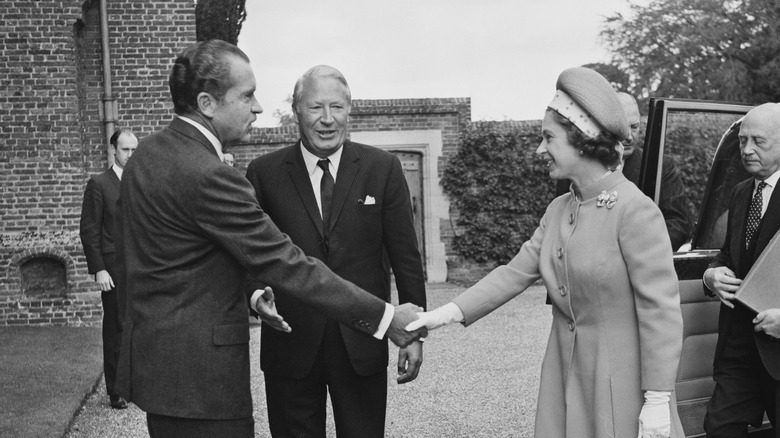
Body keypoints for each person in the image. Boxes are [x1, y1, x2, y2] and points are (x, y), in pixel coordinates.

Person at [112, 40, 423, 438]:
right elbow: (282, 261)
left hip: (162, 370)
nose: (257, 107)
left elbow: (130, 256)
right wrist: (385, 318)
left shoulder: (148, 155)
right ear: (207, 103)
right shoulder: (212, 173)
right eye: (247, 95)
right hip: (204, 380)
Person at [408, 67, 685, 438]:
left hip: (621, 387)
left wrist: (656, 398)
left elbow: (661, 311)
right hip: (564, 377)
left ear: (582, 140)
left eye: (548, 138)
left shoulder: (636, 211)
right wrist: (440, 316)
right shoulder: (559, 209)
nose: (540, 149)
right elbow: (512, 274)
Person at [245, 65, 427, 438]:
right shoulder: (264, 173)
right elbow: (249, 252)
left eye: (337, 107)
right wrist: (253, 295)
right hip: (290, 343)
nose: (327, 120)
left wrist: (415, 334)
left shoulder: (384, 168)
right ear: (296, 111)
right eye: (315, 108)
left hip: (361, 342)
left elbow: (405, 257)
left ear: (350, 110)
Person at [703, 102, 780, 437]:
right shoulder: (740, 193)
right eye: (742, 140)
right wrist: (711, 276)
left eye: (758, 142)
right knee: (719, 428)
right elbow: (729, 256)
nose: (747, 150)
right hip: (738, 348)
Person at [78, 128, 137, 410]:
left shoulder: (139, 182)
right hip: (113, 269)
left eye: (134, 149)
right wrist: (99, 269)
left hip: (140, 267)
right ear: (113, 150)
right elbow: (90, 230)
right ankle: (116, 390)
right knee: (115, 326)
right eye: (126, 149)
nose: (130, 154)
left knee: (137, 326)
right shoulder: (99, 184)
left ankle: (134, 383)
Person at [616, 92, 692, 250]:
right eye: (623, 128)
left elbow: (678, 224)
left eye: (635, 127)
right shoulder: (582, 166)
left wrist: (644, 256)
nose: (629, 137)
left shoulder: (662, 165)